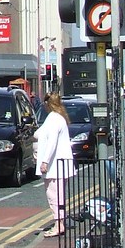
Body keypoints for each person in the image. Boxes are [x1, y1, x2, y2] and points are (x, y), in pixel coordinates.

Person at [34, 92, 74, 237]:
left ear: (47, 104)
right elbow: (40, 133)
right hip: (60, 165)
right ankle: (60, 223)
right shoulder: (58, 118)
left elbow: (51, 141)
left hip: (54, 166)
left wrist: (45, 161)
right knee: (59, 195)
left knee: (54, 196)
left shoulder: (53, 119)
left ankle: (58, 225)